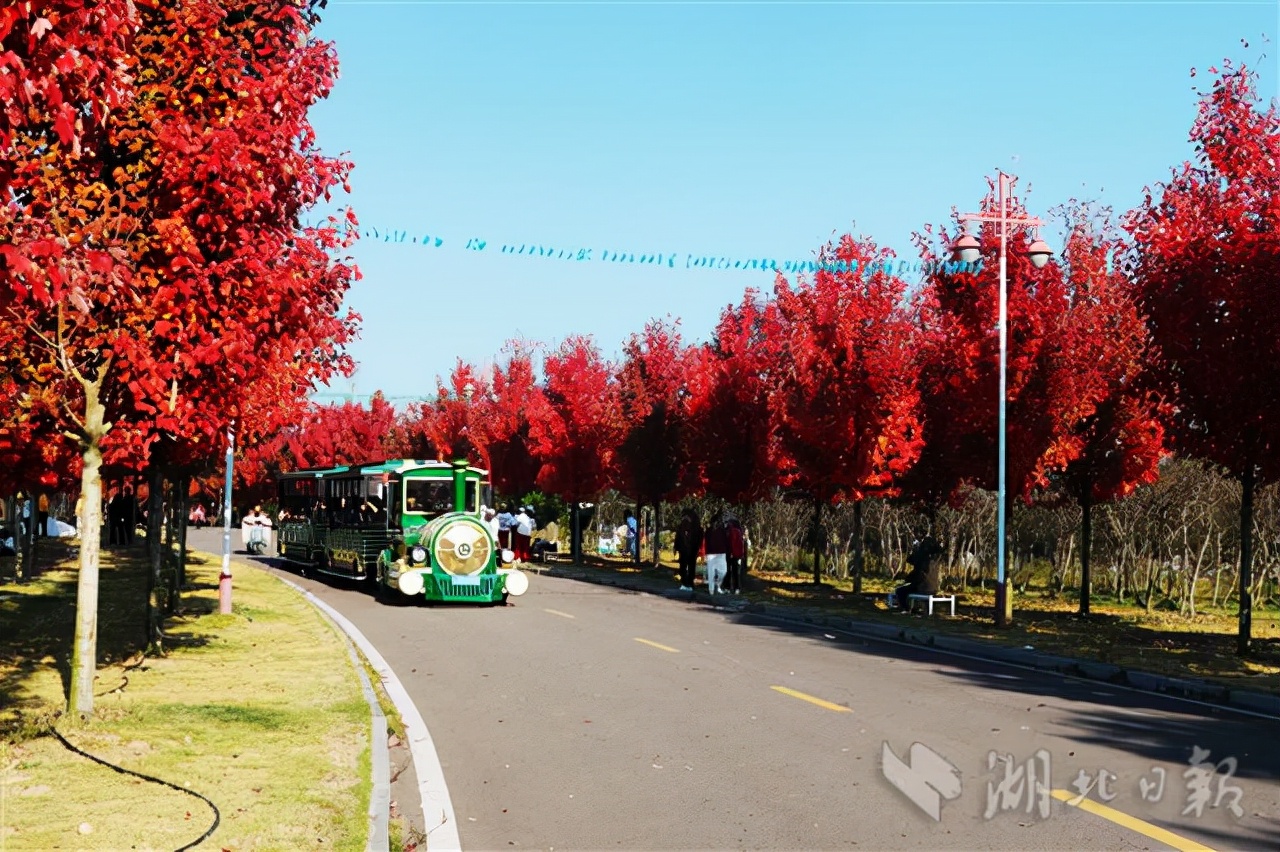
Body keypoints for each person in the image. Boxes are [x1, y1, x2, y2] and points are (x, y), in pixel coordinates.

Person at [893, 535, 943, 612]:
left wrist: (916, 549)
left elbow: (910, 560)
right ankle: (914, 608)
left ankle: (906, 609)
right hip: (934, 588)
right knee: (909, 588)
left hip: (922, 587)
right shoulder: (936, 558)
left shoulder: (921, 557)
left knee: (900, 591)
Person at [674, 508, 703, 592]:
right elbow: (678, 536)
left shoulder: (693, 525)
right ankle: (687, 583)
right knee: (688, 566)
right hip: (687, 549)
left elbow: (679, 535)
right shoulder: (687, 524)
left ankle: (687, 583)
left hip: (688, 549)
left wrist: (677, 547)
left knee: (687, 567)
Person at [703, 510, 729, 595]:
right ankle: (711, 590)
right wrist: (706, 553)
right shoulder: (709, 530)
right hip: (711, 553)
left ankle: (717, 584)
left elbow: (726, 541)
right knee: (711, 573)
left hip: (721, 553)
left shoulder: (722, 530)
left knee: (723, 571)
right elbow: (706, 542)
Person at [725, 515, 746, 594]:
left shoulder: (731, 531)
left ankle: (727, 587)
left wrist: (730, 552)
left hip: (730, 553)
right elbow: (740, 544)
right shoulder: (739, 531)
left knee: (728, 571)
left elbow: (732, 543)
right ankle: (736, 588)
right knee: (735, 572)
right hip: (736, 554)